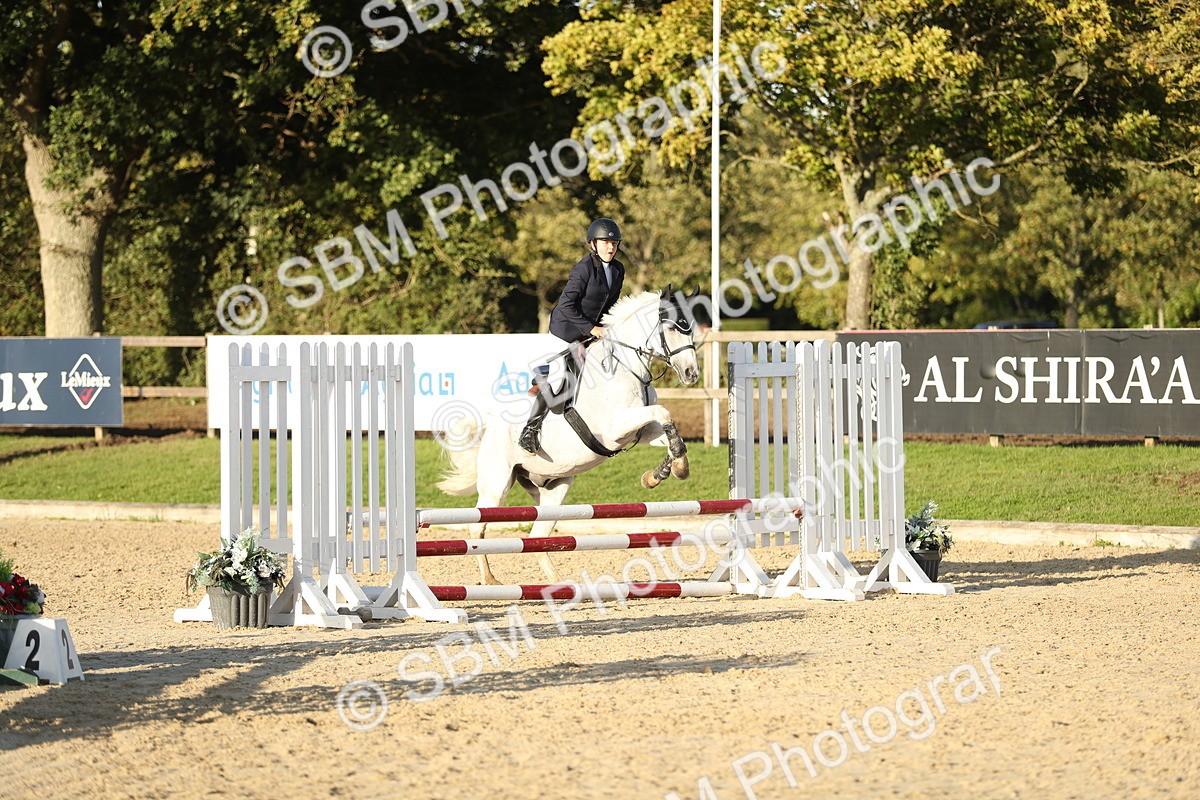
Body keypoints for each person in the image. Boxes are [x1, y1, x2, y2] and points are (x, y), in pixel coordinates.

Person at [518, 217, 626, 453]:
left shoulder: (618, 270)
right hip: (564, 330)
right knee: (557, 380)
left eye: (614, 243)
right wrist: (592, 328)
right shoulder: (584, 268)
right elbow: (566, 305)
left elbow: (611, 304)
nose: (610, 247)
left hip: (590, 333)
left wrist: (609, 325)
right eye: (605, 242)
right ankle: (529, 431)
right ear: (593, 244)